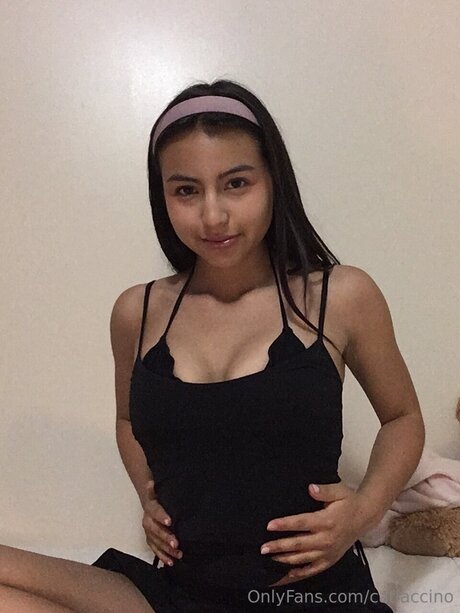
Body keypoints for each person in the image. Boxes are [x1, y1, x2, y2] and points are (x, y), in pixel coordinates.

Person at [0, 80, 425, 612]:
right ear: (162, 196)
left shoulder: (339, 297)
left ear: (273, 182)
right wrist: (149, 495)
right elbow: (129, 420)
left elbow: (403, 418)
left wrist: (363, 511)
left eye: (236, 184)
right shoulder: (137, 311)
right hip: (183, 590)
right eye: (186, 191)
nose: (213, 216)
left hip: (305, 593)